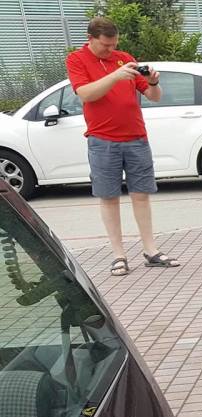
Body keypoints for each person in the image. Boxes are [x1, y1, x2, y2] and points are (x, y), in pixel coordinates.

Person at [66, 17, 180, 276]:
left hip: (136, 137)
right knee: (109, 197)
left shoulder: (123, 57)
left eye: (114, 44)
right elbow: (85, 93)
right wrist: (115, 76)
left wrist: (152, 82)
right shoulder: (76, 59)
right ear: (91, 38)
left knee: (142, 194)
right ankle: (119, 255)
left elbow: (154, 96)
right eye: (106, 45)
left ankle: (151, 251)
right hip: (102, 139)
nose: (111, 50)